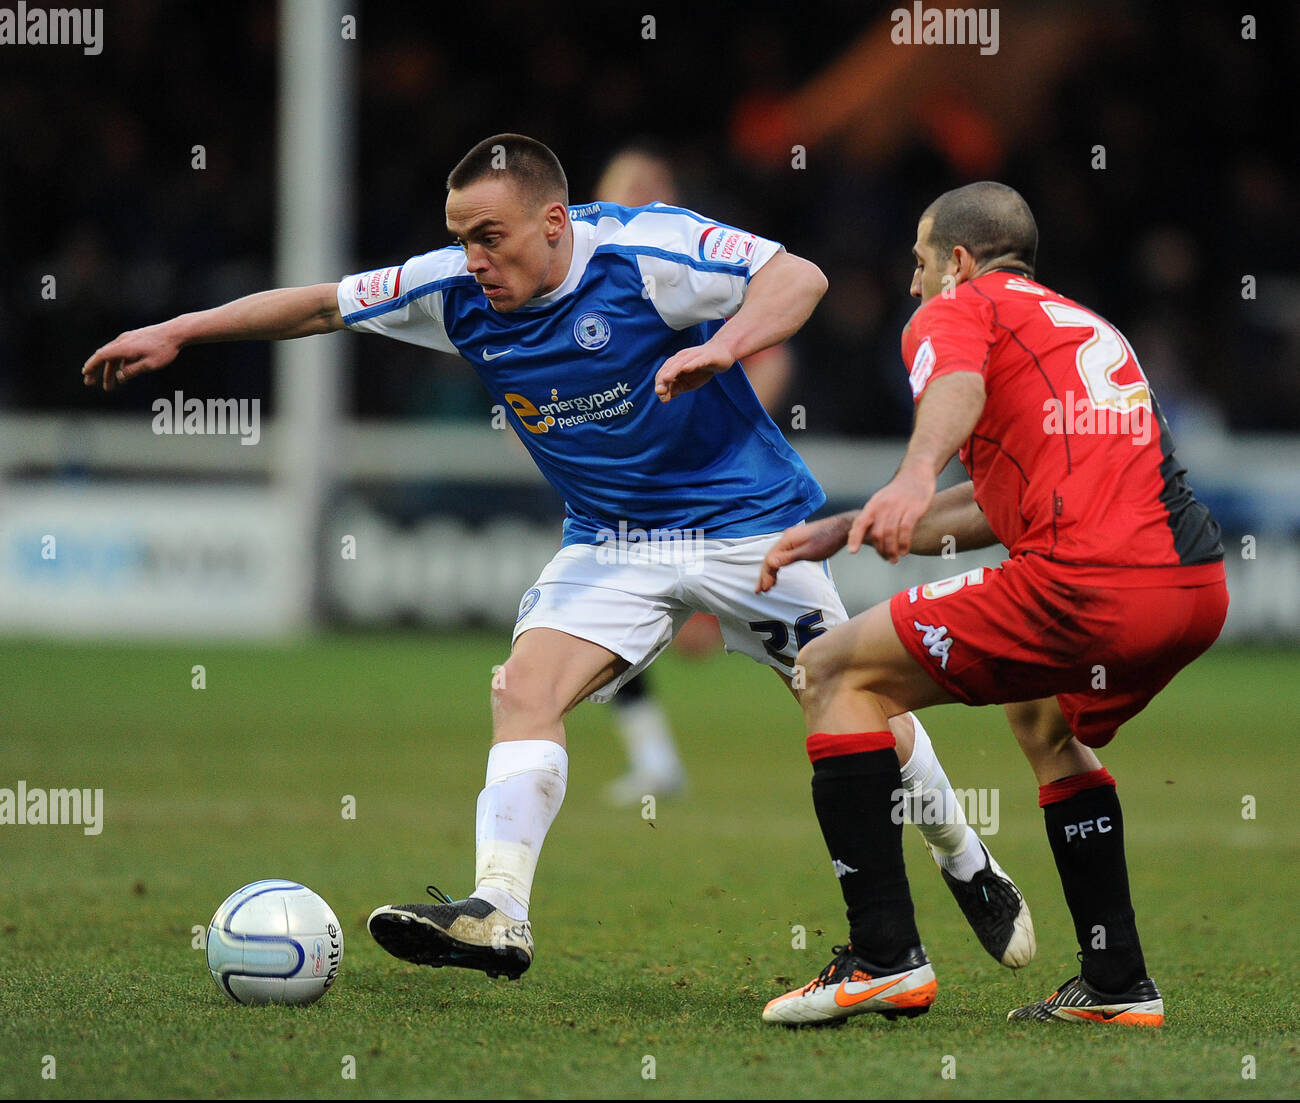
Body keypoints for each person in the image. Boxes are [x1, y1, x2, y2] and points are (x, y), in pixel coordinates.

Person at [83, 135, 1034, 986]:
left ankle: (965, 859)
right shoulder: (455, 291)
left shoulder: (643, 252)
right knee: (522, 688)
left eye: (490, 237)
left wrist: (726, 349)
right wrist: (179, 329)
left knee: (853, 700)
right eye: (460, 237)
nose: (473, 259)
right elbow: (318, 307)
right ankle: (499, 910)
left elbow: (803, 278)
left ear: (552, 221)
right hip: (610, 544)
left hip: (749, 529)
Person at [757, 180, 1227, 1027]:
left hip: (1088, 584)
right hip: (1193, 587)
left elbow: (956, 392)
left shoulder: (956, 309)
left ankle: (882, 959)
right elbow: (993, 501)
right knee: (1041, 719)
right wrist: (851, 526)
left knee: (830, 671)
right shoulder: (1083, 326)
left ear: (959, 262)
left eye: (919, 260)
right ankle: (1118, 983)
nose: (911, 282)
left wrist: (909, 474)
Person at [592, 145, 796, 806]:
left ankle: (870, 748)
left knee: (795, 639)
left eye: (653, 185)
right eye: (626, 188)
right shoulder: (583, 286)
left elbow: (774, 357)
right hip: (630, 491)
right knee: (589, 628)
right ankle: (654, 760)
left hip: (720, 486)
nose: (641, 198)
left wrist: (718, 423)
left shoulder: (699, 266)